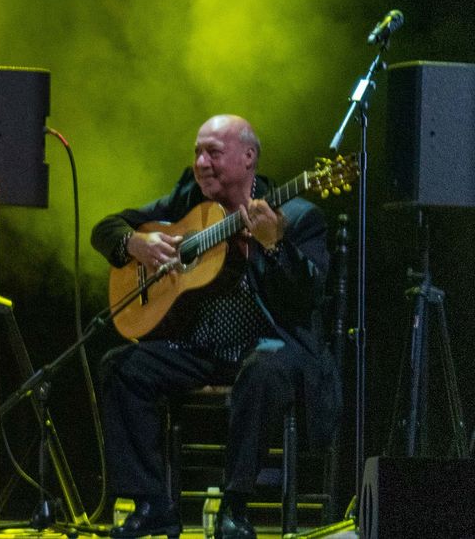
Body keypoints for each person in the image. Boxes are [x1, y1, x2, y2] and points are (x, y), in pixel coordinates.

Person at [92, 115, 339, 539]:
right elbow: (105, 228)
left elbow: (308, 298)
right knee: (120, 367)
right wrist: (136, 243)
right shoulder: (187, 200)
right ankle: (151, 503)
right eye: (198, 153)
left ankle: (234, 506)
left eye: (214, 153)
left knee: (263, 372)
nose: (201, 163)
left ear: (249, 157)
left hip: (267, 347)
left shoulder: (299, 216)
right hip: (199, 350)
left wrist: (273, 246)